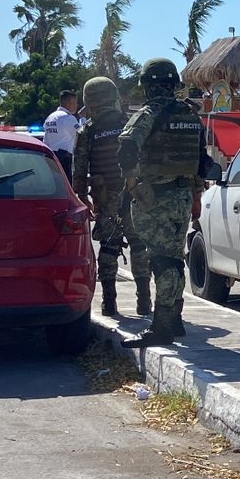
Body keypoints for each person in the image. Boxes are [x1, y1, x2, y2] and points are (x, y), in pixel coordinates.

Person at [118, 58, 207, 348]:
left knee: (162, 259)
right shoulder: (192, 116)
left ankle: (162, 327)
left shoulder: (150, 113)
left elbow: (128, 147)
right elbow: (200, 162)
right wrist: (195, 197)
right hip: (182, 195)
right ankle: (175, 319)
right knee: (174, 257)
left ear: (149, 86)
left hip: (157, 196)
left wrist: (133, 185)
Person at [73, 77, 153, 317]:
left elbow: (79, 168)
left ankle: (109, 302)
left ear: (90, 101)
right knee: (138, 244)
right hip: (135, 193)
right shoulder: (131, 123)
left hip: (105, 197)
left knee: (108, 246)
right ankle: (144, 301)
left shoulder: (88, 130)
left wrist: (81, 197)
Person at [44, 89, 80, 175]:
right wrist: (82, 118)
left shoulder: (50, 117)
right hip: (66, 160)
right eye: (75, 103)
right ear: (68, 103)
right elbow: (80, 134)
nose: (77, 106)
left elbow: (46, 141)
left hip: (52, 160)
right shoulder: (68, 118)